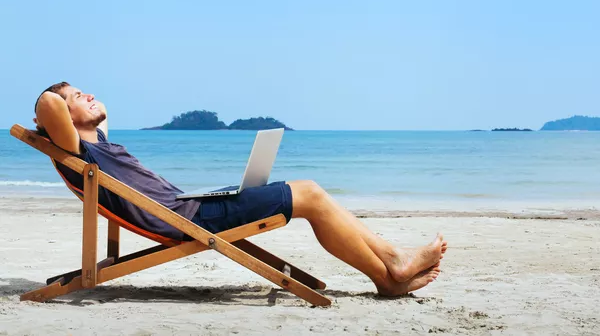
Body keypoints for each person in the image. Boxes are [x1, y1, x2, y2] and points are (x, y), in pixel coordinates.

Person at [34, 81, 447, 297]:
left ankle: (391, 267)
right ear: (61, 119)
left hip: (189, 206)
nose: (88, 96)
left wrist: (81, 99)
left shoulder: (98, 140)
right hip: (188, 219)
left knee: (307, 191)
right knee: (311, 194)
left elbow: (100, 110)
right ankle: (390, 269)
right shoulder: (77, 148)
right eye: (76, 96)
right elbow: (50, 107)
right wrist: (58, 99)